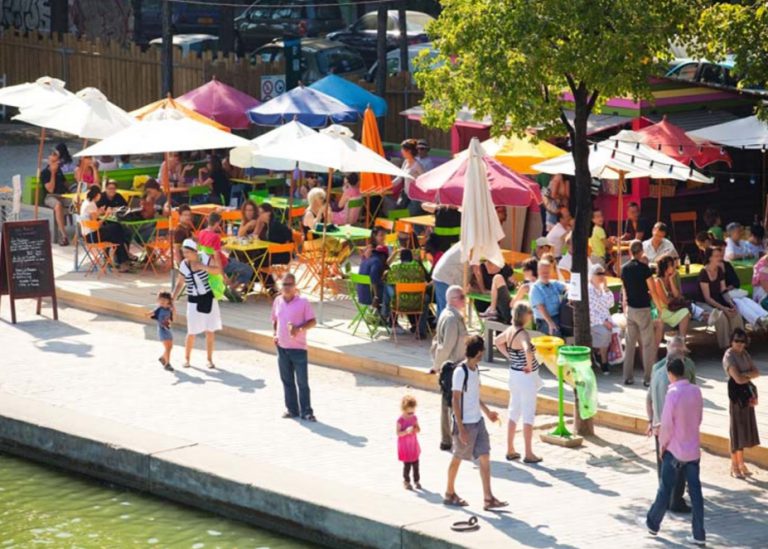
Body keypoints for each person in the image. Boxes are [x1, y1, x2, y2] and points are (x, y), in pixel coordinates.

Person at [642, 358, 705, 547]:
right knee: (696, 493)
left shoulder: (672, 393)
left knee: (665, 489)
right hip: (692, 450)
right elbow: (698, 417)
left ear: (670, 374)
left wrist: (663, 445)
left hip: (675, 450)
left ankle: (653, 523)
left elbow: (667, 424)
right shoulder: (696, 390)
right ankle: (699, 534)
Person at [444, 335, 507, 511]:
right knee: (458, 457)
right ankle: (449, 492)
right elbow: (456, 400)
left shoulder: (475, 369)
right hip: (465, 424)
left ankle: (488, 498)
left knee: (485, 456)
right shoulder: (460, 372)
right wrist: (461, 428)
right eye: (482, 351)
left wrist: (487, 413)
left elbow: (474, 396)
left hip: (478, 421)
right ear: (478, 352)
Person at [646, 337, 696, 513]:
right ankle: (675, 501)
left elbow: (648, 399)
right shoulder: (675, 375)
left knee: (664, 465)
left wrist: (651, 421)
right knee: (678, 465)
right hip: (673, 427)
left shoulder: (658, 369)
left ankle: (665, 498)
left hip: (659, 426)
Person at [494, 302, 543, 463]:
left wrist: (509, 356)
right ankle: (528, 453)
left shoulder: (510, 330)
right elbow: (527, 349)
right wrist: (528, 365)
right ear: (525, 316)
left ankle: (510, 449)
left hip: (514, 374)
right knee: (528, 413)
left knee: (513, 411)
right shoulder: (523, 334)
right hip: (526, 377)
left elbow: (497, 341)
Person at [271, 273, 317, 421]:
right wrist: (275, 334)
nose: (287, 287)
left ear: (295, 286)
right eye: (284, 284)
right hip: (282, 347)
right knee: (287, 381)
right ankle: (292, 409)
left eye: (290, 284)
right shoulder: (278, 301)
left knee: (302, 382)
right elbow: (275, 320)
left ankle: (307, 411)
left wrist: (299, 329)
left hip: (298, 349)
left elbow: (313, 321)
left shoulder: (303, 302)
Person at [173, 239, 223, 369]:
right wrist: (172, 299)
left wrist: (203, 267)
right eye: (184, 252)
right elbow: (180, 283)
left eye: (187, 252)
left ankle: (209, 359)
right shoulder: (184, 265)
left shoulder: (204, 258)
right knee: (191, 331)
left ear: (195, 251)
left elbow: (217, 270)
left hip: (208, 298)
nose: (185, 255)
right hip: (193, 299)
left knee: (210, 330)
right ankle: (187, 359)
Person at [432, 285, 468, 450]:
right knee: (450, 405)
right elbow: (446, 346)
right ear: (453, 300)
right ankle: (449, 439)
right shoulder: (452, 319)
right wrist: (437, 366)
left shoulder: (449, 314)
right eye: (462, 297)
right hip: (452, 367)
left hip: (452, 366)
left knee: (449, 404)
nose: (465, 300)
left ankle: (448, 439)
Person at [723, 329, 761, 479]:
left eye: (742, 341)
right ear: (731, 341)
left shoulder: (745, 354)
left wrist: (744, 375)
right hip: (736, 396)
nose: (739, 343)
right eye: (736, 340)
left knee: (745, 429)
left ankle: (741, 463)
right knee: (736, 430)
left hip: (747, 394)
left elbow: (757, 372)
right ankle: (734, 464)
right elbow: (737, 379)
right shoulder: (729, 356)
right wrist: (747, 375)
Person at [621, 240, 659, 387]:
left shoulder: (624, 269)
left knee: (630, 344)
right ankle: (648, 378)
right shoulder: (645, 269)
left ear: (630, 251)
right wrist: (659, 307)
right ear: (641, 251)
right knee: (648, 344)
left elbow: (625, 289)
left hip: (631, 309)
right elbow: (652, 290)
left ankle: (627, 376)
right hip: (643, 309)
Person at [198, 212, 254, 302]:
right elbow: (217, 258)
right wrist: (223, 276)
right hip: (222, 264)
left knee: (236, 260)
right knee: (249, 269)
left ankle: (229, 285)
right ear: (217, 223)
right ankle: (232, 287)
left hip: (207, 263)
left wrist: (219, 245)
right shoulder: (215, 236)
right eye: (220, 223)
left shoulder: (201, 233)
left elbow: (205, 250)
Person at [696, 246, 744, 349]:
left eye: (720, 256)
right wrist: (724, 308)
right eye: (716, 256)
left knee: (735, 314)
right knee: (720, 317)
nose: (719, 258)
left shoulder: (720, 270)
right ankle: (726, 347)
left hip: (718, 301)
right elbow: (707, 298)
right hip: (704, 304)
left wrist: (731, 304)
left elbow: (723, 290)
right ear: (710, 258)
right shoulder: (703, 273)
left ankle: (738, 343)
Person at [79, 186, 132, 271]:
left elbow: (92, 217)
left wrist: (100, 211)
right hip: (92, 236)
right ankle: (123, 260)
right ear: (97, 195)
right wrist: (106, 215)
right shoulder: (91, 205)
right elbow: (97, 225)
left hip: (88, 234)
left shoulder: (86, 203)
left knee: (116, 234)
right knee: (117, 228)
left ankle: (119, 260)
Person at [383, 248, 429, 337]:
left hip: (400, 303)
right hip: (417, 302)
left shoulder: (396, 268)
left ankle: (385, 313)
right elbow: (423, 281)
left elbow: (388, 279)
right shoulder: (418, 269)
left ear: (401, 258)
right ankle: (421, 330)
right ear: (411, 258)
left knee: (387, 286)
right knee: (426, 299)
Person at [652, 254, 691, 339]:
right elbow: (666, 301)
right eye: (672, 265)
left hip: (671, 309)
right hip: (662, 311)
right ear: (665, 267)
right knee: (685, 312)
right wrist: (674, 299)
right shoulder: (658, 281)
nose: (674, 267)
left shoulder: (672, 278)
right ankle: (681, 340)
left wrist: (671, 280)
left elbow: (677, 295)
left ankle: (682, 340)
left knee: (686, 311)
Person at [40, 149, 72, 246]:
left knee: (79, 202)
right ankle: (64, 235)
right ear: (49, 161)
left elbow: (66, 184)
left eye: (57, 161)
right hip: (50, 197)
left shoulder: (59, 171)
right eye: (54, 161)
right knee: (58, 205)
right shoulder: (45, 173)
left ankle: (84, 231)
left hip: (62, 196)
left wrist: (73, 192)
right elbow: (50, 189)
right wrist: (53, 173)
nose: (57, 163)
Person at [588, 264, 615, 375]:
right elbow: (590, 312)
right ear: (592, 275)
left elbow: (610, 304)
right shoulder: (588, 290)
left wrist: (606, 287)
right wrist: (603, 322)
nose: (601, 276)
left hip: (606, 319)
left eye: (603, 273)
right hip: (594, 321)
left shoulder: (602, 289)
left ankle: (599, 352)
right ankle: (604, 360)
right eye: (598, 274)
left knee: (619, 330)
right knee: (605, 332)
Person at [529, 260, 566, 336]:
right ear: (538, 272)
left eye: (547, 272)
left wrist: (569, 292)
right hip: (544, 320)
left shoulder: (554, 284)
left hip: (558, 316)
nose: (545, 274)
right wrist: (550, 323)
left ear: (551, 272)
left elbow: (567, 287)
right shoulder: (535, 288)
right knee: (556, 332)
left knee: (571, 328)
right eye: (543, 272)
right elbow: (541, 308)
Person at [474, 259, 515, 324]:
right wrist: (484, 291)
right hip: (484, 303)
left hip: (500, 303)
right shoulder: (480, 268)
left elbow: (513, 284)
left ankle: (493, 312)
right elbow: (472, 286)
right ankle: (492, 312)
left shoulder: (504, 266)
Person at [392, 138, 426, 215]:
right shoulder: (405, 162)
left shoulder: (417, 165)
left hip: (415, 197)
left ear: (409, 151)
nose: (401, 151)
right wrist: (388, 185)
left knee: (406, 215)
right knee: (394, 214)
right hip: (405, 195)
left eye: (403, 149)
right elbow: (399, 178)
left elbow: (425, 180)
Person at [431, 242, 464, 319]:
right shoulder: (469, 246)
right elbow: (476, 270)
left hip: (442, 276)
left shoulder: (463, 244)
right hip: (445, 278)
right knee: (447, 311)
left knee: (443, 311)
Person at [397, 394, 422, 490]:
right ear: (403, 410)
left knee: (416, 464)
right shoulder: (400, 420)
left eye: (413, 412)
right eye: (409, 413)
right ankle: (406, 481)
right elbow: (398, 433)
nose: (411, 414)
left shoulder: (414, 418)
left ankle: (417, 481)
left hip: (413, 445)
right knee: (407, 465)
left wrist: (416, 429)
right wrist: (406, 431)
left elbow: (418, 429)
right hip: (405, 446)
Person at [357, 243, 389, 317]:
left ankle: (381, 316)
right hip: (370, 297)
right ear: (383, 256)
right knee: (392, 294)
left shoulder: (365, 260)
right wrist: (376, 297)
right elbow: (373, 279)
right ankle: (387, 318)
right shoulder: (377, 262)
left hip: (361, 295)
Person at [149, 291, 175, 372]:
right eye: (160, 299)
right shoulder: (159, 309)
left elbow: (172, 319)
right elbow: (152, 314)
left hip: (168, 329)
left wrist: (173, 310)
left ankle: (163, 358)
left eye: (164, 299)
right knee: (168, 347)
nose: (162, 301)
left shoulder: (169, 309)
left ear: (168, 301)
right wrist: (148, 314)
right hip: (162, 330)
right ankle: (167, 364)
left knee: (170, 347)